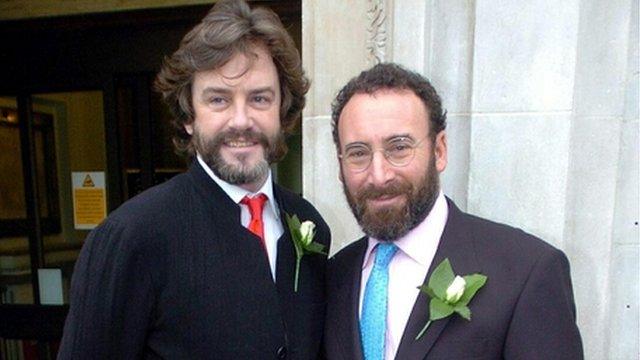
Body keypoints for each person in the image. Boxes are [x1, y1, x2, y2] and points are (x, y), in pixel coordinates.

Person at [58, 1, 330, 358]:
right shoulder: (132, 237)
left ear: (282, 110)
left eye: (260, 98)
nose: (241, 120)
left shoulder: (310, 224)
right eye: (218, 100)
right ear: (189, 115)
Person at [323, 63, 583, 360]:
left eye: (399, 148)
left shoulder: (527, 272)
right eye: (358, 153)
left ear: (439, 151)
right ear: (341, 165)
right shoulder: (334, 276)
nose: (379, 175)